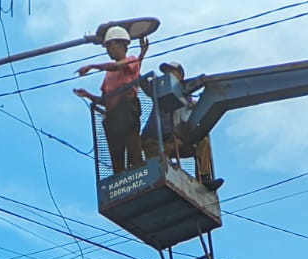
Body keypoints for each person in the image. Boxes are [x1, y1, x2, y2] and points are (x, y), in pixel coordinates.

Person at [73, 26, 146, 174]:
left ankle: (138, 171)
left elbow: (117, 66)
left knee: (133, 150)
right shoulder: (108, 75)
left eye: (110, 46)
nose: (108, 50)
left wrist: (92, 66)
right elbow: (105, 100)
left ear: (122, 44)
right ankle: (120, 177)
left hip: (127, 111)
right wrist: (88, 95)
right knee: (117, 158)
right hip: (113, 116)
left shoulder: (131, 60)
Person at [140, 62, 222, 191]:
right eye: (166, 72)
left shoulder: (187, 97)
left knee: (203, 141)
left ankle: (204, 177)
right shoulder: (161, 89)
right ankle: (165, 170)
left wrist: (198, 105)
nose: (167, 74)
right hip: (156, 140)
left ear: (180, 75)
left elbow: (191, 115)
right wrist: (136, 66)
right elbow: (145, 85)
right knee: (158, 166)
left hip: (176, 141)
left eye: (171, 71)